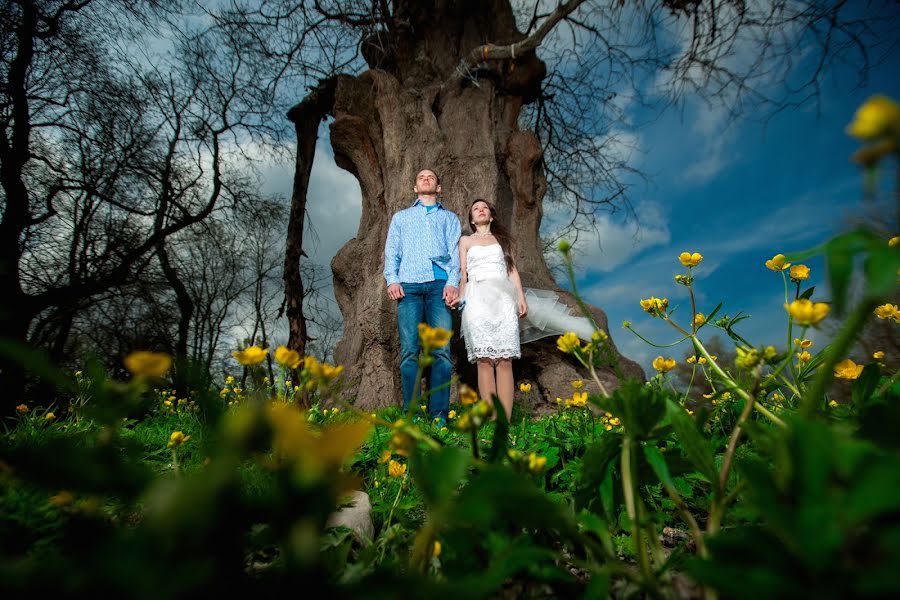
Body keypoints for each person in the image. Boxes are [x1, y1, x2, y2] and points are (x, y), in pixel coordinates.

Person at [384, 169, 461, 426]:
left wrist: (453, 283)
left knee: (442, 352)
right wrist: (392, 279)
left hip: (440, 286)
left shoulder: (449, 218)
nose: (426, 179)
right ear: (415, 188)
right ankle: (414, 415)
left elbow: (455, 253)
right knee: (409, 351)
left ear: (439, 187)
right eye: (420, 177)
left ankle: (439, 415)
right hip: (409, 286)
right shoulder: (401, 218)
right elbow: (392, 250)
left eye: (431, 177)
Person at [455, 199, 527, 421]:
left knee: (505, 359)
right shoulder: (465, 241)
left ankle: (505, 419)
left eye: (484, 207)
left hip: (503, 299)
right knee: (484, 360)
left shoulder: (503, 240)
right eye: (475, 208)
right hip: (477, 299)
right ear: (472, 219)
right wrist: (461, 296)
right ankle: (491, 418)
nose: (480, 210)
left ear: (491, 216)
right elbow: (463, 273)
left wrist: (520, 297)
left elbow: (512, 270)